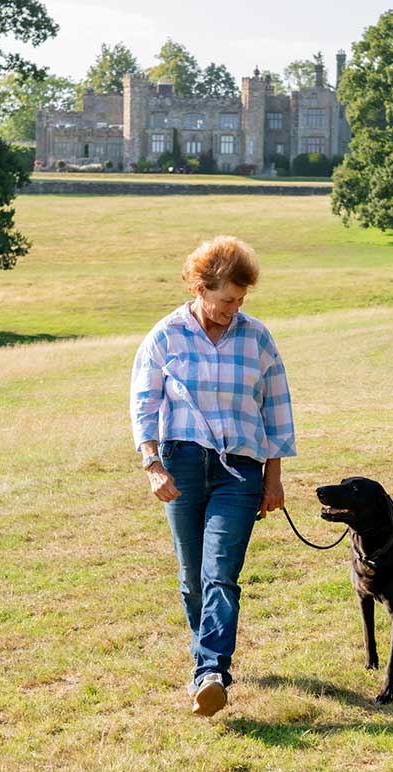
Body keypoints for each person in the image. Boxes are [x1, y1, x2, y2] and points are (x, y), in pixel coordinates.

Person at [129, 235, 296, 717]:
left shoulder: (257, 337)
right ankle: (207, 660)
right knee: (192, 576)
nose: (234, 309)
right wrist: (152, 464)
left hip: (239, 469)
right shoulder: (165, 336)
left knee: (220, 571)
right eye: (226, 300)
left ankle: (211, 672)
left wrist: (274, 477)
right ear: (200, 288)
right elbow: (145, 404)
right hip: (181, 462)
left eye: (241, 300)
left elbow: (276, 410)